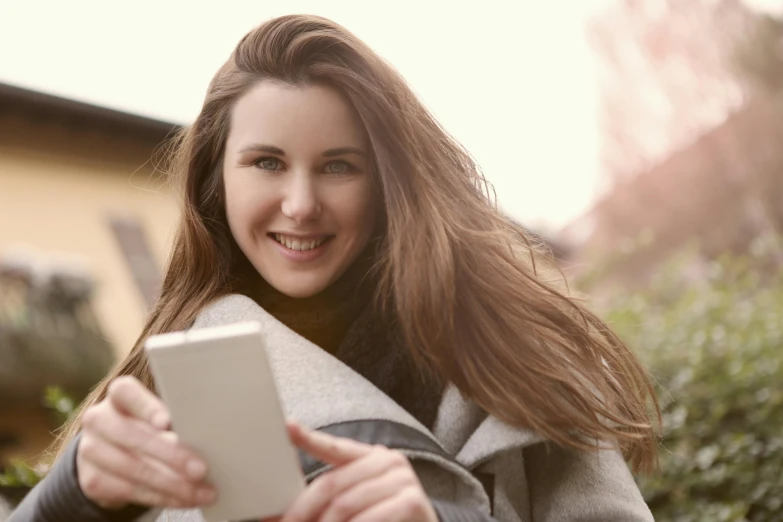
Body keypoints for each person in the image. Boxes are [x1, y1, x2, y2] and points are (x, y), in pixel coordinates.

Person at [10, 14, 659, 522]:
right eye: (266, 162)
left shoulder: (507, 349)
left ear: (386, 181)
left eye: (338, 166)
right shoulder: (166, 378)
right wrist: (69, 497)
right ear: (217, 180)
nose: (300, 205)